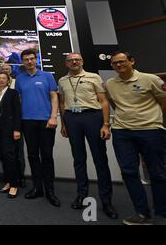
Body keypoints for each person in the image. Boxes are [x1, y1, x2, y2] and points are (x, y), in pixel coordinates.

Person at [105, 51, 166, 225]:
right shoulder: (110, 83)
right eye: (115, 63)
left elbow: (163, 100)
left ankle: (162, 213)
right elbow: (114, 103)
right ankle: (142, 213)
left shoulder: (150, 79)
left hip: (150, 130)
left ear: (132, 61)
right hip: (122, 132)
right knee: (129, 173)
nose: (119, 65)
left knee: (157, 173)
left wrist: (152, 118)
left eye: (122, 61)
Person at [58, 53, 118, 219]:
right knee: (78, 159)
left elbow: (104, 101)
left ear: (82, 61)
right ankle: (81, 195)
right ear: (66, 63)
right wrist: (64, 124)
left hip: (92, 117)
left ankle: (106, 201)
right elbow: (62, 103)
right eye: (70, 60)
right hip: (72, 118)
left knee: (100, 159)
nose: (74, 62)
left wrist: (106, 124)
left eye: (77, 59)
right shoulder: (62, 80)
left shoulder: (94, 77)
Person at [15, 49, 61, 207]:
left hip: (46, 122)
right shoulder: (19, 79)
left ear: (36, 60)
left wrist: (54, 116)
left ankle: (50, 191)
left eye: (31, 59)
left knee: (47, 156)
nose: (29, 61)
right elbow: (19, 100)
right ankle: (37, 188)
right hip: (27, 122)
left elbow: (54, 96)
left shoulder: (47, 76)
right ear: (22, 62)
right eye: (26, 59)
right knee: (32, 156)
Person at [0, 72, 22, 198]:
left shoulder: (13, 93)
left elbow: (17, 112)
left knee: (10, 157)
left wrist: (17, 129)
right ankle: (8, 182)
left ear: (8, 81)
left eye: (4, 78)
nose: (2, 80)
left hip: (9, 129)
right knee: (3, 156)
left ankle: (14, 185)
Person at [0, 63, 26, 188]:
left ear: (11, 72)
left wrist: (17, 128)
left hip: (14, 126)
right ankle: (9, 179)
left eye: (7, 70)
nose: (5, 71)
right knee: (6, 154)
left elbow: (17, 109)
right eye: (3, 70)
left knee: (18, 154)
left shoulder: (17, 84)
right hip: (1, 127)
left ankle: (19, 178)